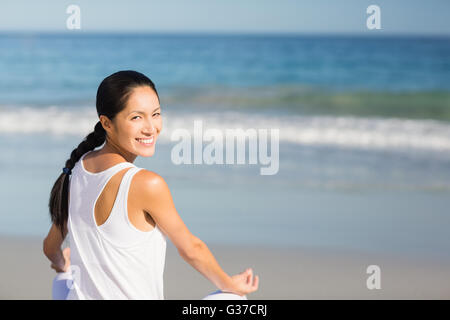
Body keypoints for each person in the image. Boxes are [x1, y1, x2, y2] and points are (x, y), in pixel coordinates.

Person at [43, 70, 259, 299]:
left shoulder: (77, 170)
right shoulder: (146, 184)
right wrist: (230, 284)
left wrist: (61, 265)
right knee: (236, 299)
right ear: (106, 123)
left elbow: (50, 248)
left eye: (155, 114)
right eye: (136, 117)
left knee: (64, 280)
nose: (151, 128)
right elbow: (191, 249)